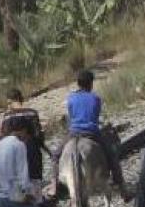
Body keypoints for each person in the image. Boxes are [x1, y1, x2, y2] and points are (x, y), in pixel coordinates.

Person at [51, 70, 127, 199]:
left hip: (74, 133)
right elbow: (95, 117)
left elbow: (71, 117)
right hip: (92, 132)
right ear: (90, 84)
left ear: (78, 83)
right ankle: (120, 185)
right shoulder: (96, 98)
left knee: (56, 156)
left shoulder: (71, 98)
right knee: (111, 155)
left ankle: (54, 186)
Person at [0, 90, 47, 189]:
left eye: (8, 103)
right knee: (35, 181)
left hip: (14, 153)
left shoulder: (7, 116)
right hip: (32, 151)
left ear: (11, 101)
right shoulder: (32, 113)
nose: (8, 106)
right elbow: (38, 134)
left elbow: (4, 136)